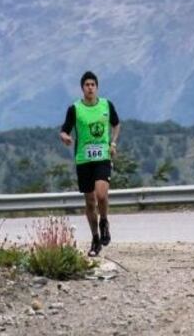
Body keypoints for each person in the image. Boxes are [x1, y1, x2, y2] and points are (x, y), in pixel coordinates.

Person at [59, 70, 120, 257]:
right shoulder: (75, 109)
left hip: (102, 157)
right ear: (82, 88)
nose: (90, 87)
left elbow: (116, 124)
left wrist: (113, 143)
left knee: (101, 195)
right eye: (87, 85)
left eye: (93, 84)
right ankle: (95, 239)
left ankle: (104, 222)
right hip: (83, 159)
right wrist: (66, 138)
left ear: (97, 87)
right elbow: (63, 130)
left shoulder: (106, 105)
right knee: (90, 202)